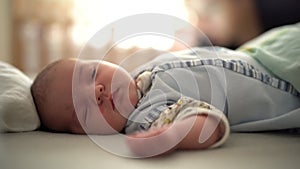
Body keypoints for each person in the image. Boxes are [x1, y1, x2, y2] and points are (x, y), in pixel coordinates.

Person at [31, 24, 300, 157]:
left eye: (91, 73)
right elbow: (205, 121)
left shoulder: (141, 72)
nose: (97, 91)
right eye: (84, 108)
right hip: (283, 84)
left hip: (263, 52)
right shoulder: (146, 116)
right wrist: (173, 135)